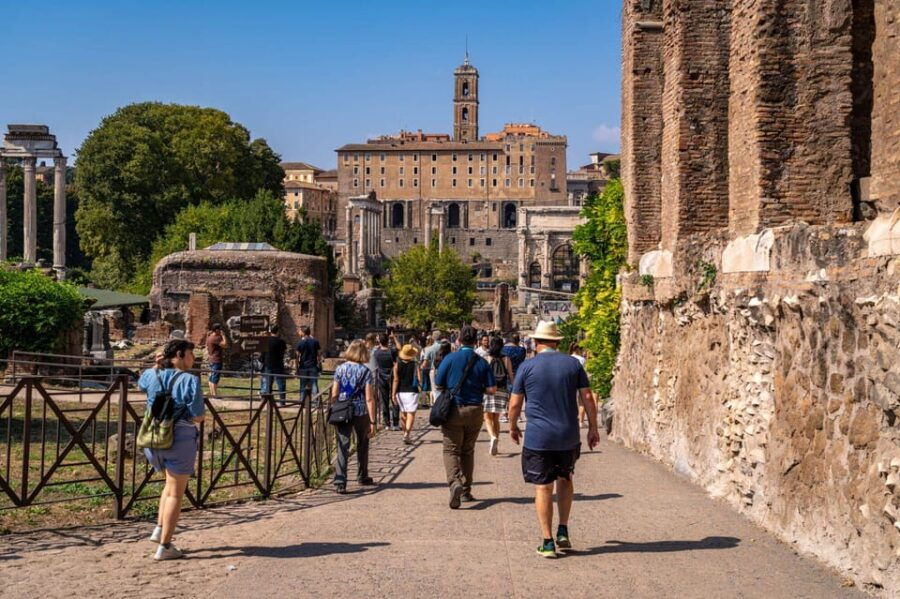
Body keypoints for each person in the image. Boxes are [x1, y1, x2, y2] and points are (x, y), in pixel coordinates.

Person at [508, 321, 599, 558]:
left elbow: (515, 403)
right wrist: (593, 428)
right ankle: (563, 529)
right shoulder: (572, 364)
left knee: (543, 486)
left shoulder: (527, 367)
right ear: (557, 342)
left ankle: (547, 542)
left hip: (539, 437)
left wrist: (512, 426)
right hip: (567, 434)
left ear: (536, 342)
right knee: (565, 479)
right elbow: (587, 397)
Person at [138, 339, 205, 561]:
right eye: (191, 354)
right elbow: (197, 416)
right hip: (179, 440)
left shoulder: (151, 375)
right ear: (179, 354)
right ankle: (165, 546)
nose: (193, 359)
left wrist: (156, 366)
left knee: (168, 486)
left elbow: (141, 385)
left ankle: (159, 529)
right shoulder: (190, 380)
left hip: (152, 439)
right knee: (176, 493)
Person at [434, 325, 495, 509]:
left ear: (458, 340)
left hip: (454, 409)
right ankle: (467, 490)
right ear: (476, 341)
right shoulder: (482, 362)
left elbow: (438, 384)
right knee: (468, 450)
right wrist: (478, 389)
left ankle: (455, 483)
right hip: (475, 410)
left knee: (451, 450)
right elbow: (492, 389)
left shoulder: (450, 358)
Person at [330, 340, 377, 494]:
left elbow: (334, 393)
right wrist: (373, 420)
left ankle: (340, 481)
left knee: (342, 445)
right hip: (360, 410)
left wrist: (335, 407)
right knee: (362, 443)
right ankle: (362, 475)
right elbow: (369, 398)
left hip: (343, 410)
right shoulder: (365, 371)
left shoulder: (340, 369)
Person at [483, 336, 513, 456]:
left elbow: (483, 375)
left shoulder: (487, 358)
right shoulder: (506, 359)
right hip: (502, 389)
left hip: (489, 389)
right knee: (496, 418)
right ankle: (496, 442)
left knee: (487, 417)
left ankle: (492, 437)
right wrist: (514, 391)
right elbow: (511, 376)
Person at [393, 344, 420, 444]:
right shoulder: (415, 364)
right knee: (411, 414)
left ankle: (405, 434)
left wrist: (393, 393)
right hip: (412, 391)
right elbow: (419, 378)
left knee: (403, 414)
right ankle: (406, 434)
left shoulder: (397, 365)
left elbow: (395, 380)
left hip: (400, 391)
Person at [372, 333, 400, 430]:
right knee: (394, 398)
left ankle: (387, 423)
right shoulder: (391, 351)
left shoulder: (376, 352)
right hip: (393, 376)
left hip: (381, 376)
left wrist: (378, 341)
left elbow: (375, 348)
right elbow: (399, 348)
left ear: (379, 341)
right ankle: (396, 423)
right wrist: (394, 338)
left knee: (384, 400)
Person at [260, 325, 288, 405]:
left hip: (268, 365)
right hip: (278, 365)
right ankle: (282, 402)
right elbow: (283, 352)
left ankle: (267, 401)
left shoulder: (266, 341)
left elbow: (263, 353)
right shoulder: (281, 342)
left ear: (270, 331)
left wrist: (262, 361)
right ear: (277, 331)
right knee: (281, 384)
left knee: (268, 384)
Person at [295, 325, 321, 402]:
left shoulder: (300, 343)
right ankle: (315, 401)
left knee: (303, 385)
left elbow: (297, 357)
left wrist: (297, 368)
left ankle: (302, 401)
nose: (299, 332)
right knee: (314, 384)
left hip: (303, 367)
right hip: (313, 366)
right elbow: (319, 355)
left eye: (300, 331)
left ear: (303, 332)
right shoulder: (315, 341)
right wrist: (319, 365)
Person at [420, 330, 443, 407]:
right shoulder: (446, 347)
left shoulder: (430, 349)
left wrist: (420, 367)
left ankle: (436, 404)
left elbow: (425, 363)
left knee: (434, 389)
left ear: (433, 337)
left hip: (433, 369)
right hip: (444, 370)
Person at [569, 342, 589, 427]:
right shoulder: (582, 359)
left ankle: (571, 420)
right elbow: (585, 371)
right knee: (581, 402)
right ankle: (581, 421)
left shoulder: (568, 358)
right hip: (580, 382)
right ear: (578, 349)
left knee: (571, 402)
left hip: (570, 382)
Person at [205, 323, 227, 398]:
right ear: (216, 330)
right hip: (216, 360)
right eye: (220, 329)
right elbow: (225, 345)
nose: (221, 330)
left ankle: (212, 393)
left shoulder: (209, 337)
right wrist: (223, 336)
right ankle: (214, 395)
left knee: (211, 377)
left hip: (211, 359)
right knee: (215, 377)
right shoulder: (216, 338)